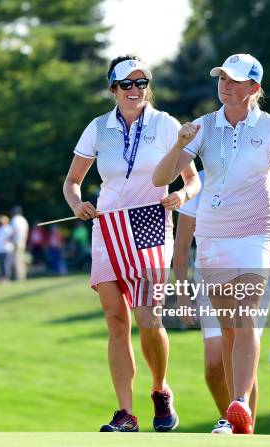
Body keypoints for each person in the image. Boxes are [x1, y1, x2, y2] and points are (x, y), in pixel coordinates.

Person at [153, 53, 270, 434]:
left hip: (256, 230)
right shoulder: (203, 126)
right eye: (222, 78)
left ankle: (240, 403)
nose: (225, 84)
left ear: (254, 87)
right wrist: (178, 145)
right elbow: (161, 178)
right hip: (212, 233)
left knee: (245, 315)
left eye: (235, 80)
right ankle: (237, 420)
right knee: (227, 329)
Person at [63, 55, 201, 432]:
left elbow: (193, 180)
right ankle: (125, 412)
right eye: (127, 84)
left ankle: (159, 389)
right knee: (115, 320)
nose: (136, 90)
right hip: (108, 228)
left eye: (142, 83)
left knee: (147, 314)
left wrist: (183, 197)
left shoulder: (165, 124)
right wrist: (78, 205)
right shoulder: (97, 128)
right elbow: (72, 182)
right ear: (113, 88)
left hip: (151, 224)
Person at [173, 170, 270, 434]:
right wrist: (183, 291)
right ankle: (230, 417)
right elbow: (182, 245)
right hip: (209, 273)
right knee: (213, 363)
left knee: (243, 339)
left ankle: (242, 424)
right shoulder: (198, 182)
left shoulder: (259, 177)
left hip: (252, 269)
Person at [0, 215, 14, 282]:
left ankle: (6, 278)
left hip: (6, 249)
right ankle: (3, 277)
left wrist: (7, 240)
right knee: (1, 265)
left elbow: (12, 235)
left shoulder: (7, 228)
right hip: (0, 250)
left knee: (5, 264)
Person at [10, 206, 29, 281]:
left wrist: (11, 240)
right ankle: (23, 277)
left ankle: (18, 278)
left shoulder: (15, 220)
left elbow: (13, 232)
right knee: (21, 260)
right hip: (23, 242)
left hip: (16, 242)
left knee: (16, 260)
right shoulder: (24, 220)